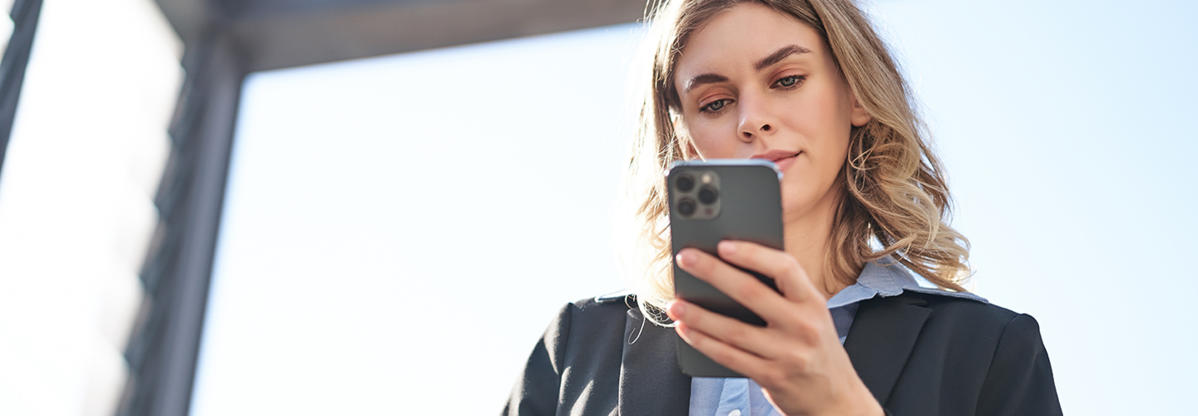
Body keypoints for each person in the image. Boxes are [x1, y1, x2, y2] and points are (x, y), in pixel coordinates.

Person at [504, 0, 1062, 414]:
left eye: (787, 79)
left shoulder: (990, 350)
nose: (752, 119)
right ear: (686, 140)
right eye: (715, 102)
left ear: (857, 94)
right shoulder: (576, 348)